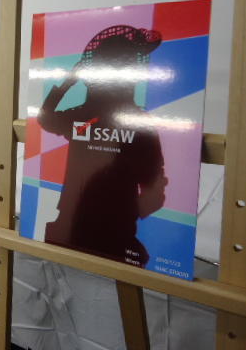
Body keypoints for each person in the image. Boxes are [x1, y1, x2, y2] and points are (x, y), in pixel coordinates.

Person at [38, 25, 168, 267]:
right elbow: (155, 194)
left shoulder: (88, 117)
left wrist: (69, 82)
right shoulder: (130, 123)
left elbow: (46, 118)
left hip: (90, 232)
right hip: (88, 231)